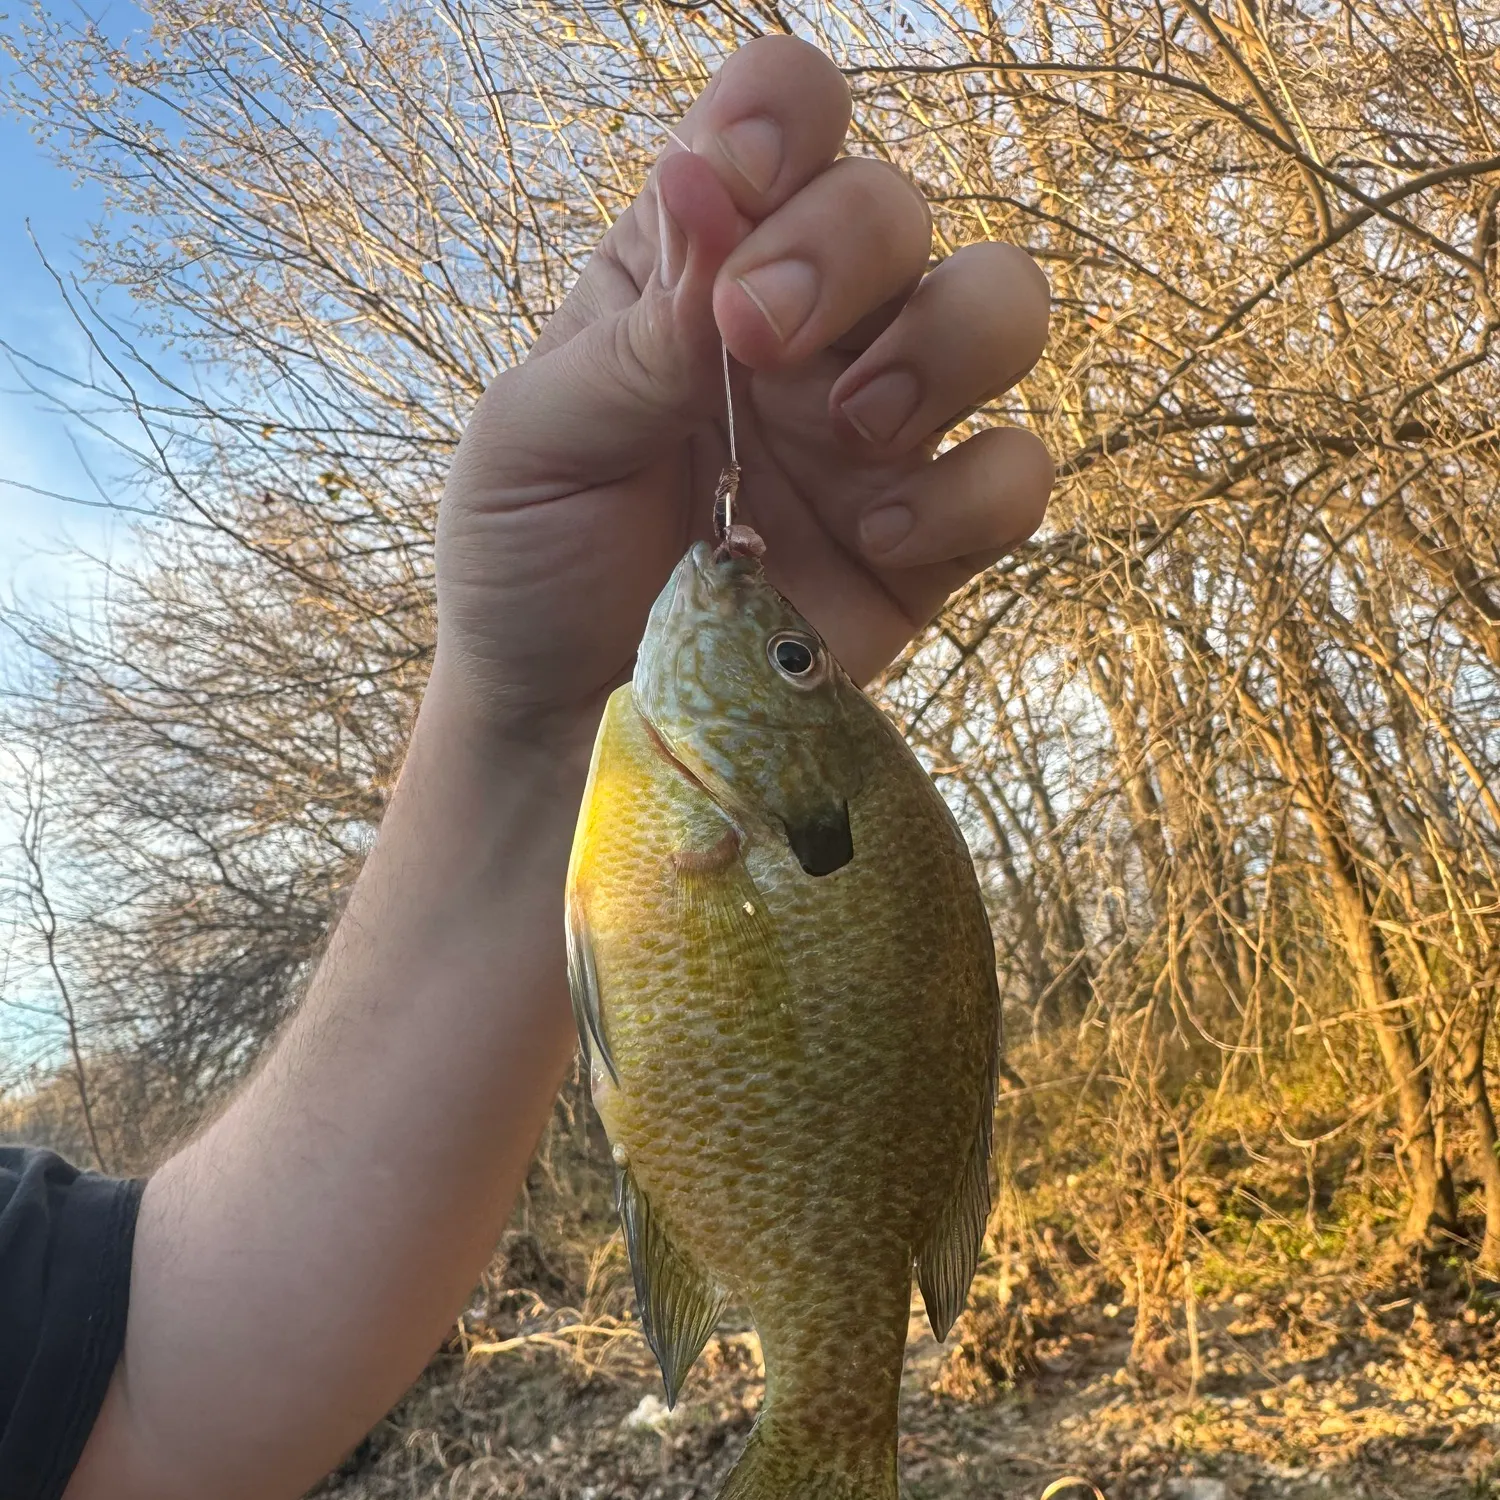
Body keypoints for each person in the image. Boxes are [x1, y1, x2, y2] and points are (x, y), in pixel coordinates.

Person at [0, 34, 1052, 1500]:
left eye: (791, 667)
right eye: (795, 669)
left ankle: (828, 1408)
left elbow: (139, 1390)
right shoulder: (739, 813)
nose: (777, 642)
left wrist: (531, 723)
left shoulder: (660, 773)